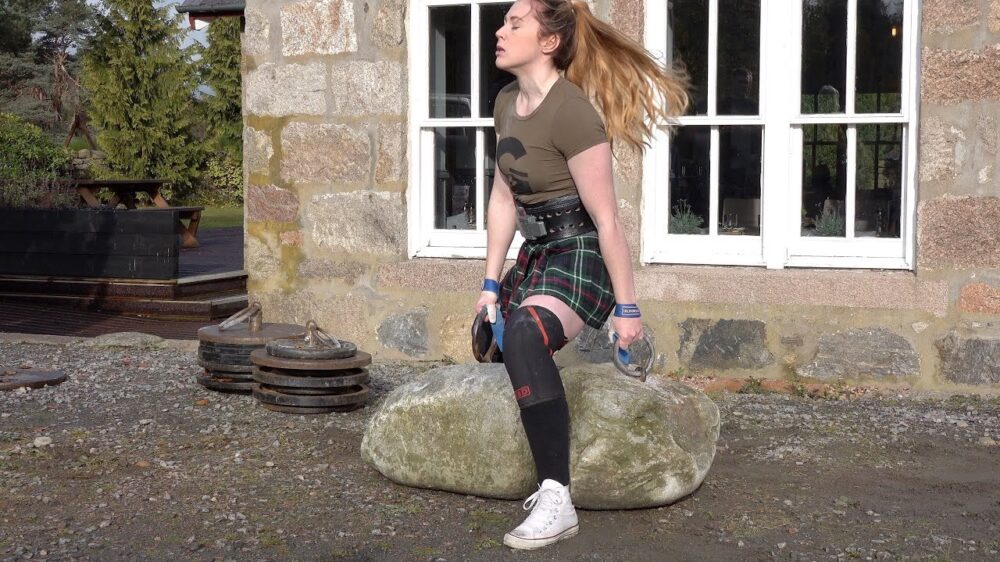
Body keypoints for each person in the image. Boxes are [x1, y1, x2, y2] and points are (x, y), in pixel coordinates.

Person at [472, 0, 689, 551]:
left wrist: (628, 309)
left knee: (525, 334)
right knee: (494, 339)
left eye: (515, 23)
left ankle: (557, 497)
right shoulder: (505, 102)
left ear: (548, 42)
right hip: (537, 251)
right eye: (504, 22)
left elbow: (608, 218)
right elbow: (503, 198)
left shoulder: (572, 112)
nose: (500, 30)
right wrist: (490, 286)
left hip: (579, 252)